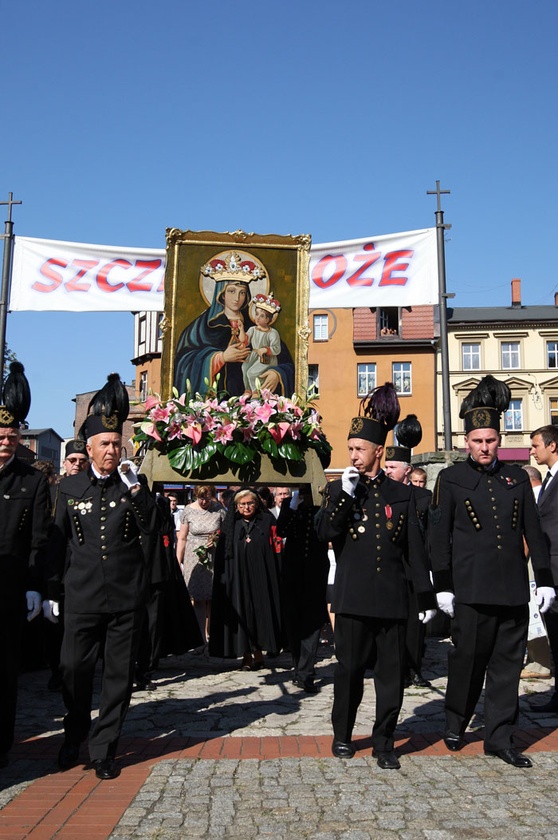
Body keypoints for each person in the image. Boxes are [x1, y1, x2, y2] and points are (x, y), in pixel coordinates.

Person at [429, 376, 555, 767]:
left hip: (512, 590)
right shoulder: (451, 479)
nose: (485, 447)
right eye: (478, 441)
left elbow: (533, 531)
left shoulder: (516, 477)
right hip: (469, 592)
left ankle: (500, 738)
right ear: (467, 442)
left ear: (498, 441)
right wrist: (444, 587)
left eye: (491, 441)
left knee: (506, 669)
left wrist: (546, 579)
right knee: (467, 663)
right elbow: (439, 537)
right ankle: (456, 720)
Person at [44, 373, 159, 780]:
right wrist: (49, 590)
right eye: (104, 444)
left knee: (118, 678)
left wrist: (137, 491)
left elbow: (153, 527)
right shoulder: (70, 488)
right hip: (81, 597)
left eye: (116, 443)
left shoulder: (133, 485)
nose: (111, 450)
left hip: (125, 598)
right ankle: (73, 734)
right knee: (74, 670)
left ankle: (104, 747)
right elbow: (57, 545)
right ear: (88, 447)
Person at [316, 384, 436, 770]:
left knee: (390, 677)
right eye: (350, 448)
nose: (353, 455)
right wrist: (345, 495)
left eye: (359, 449)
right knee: (348, 671)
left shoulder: (402, 496)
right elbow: (325, 534)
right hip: (352, 599)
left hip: (391, 599)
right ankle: (343, 735)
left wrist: (426, 598)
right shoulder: (339, 490)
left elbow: (415, 551)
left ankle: (385, 741)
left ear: (378, 452)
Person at [0, 362, 51, 768]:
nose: (5, 442)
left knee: (4, 669)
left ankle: (1, 741)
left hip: (8, 586)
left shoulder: (31, 481)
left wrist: (35, 584)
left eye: (12, 436)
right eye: (0, 436)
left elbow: (37, 539)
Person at [173, 251, 294, 397]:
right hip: (216, 406)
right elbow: (183, 363)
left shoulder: (258, 326)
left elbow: (286, 362)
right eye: (231, 291)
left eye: (242, 293)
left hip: (253, 408)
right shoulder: (202, 327)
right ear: (221, 294)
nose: (237, 298)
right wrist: (220, 358)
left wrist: (277, 374)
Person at [384, 414, 433, 688]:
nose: (388, 471)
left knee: (415, 625)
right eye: (386, 466)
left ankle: (414, 668)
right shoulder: (381, 494)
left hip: (415, 567)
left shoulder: (423, 498)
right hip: (391, 568)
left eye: (393, 467)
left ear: (406, 470)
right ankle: (395, 668)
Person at [209, 487, 282, 670]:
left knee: (259, 613)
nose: (247, 507)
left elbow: (275, 549)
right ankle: (246, 655)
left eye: (250, 503)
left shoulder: (266, 520)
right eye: (242, 504)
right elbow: (224, 553)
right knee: (243, 613)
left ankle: (259, 654)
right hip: (239, 577)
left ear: (256, 504)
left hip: (261, 576)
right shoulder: (231, 524)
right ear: (236, 506)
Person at [276, 486, 329, 693]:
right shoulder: (291, 505)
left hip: (315, 572)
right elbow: (282, 530)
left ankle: (305, 671)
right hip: (292, 571)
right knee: (293, 620)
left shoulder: (323, 507)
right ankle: (299, 666)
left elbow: (327, 531)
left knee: (313, 620)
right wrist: (291, 507)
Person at [529, 425, 558, 710]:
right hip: (549, 570)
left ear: (552, 445)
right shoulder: (549, 478)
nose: (532, 450)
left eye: (536, 445)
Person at [176, 484, 226, 649]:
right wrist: (178, 560)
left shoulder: (219, 510)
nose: (204, 501)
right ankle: (200, 639)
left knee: (213, 597)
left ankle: (213, 635)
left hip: (214, 556)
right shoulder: (188, 511)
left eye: (207, 497)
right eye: (200, 497)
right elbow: (182, 538)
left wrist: (217, 539)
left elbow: (226, 533)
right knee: (197, 598)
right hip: (194, 557)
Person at [241, 293, 283, 396]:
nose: (258, 318)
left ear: (268, 319)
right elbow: (245, 341)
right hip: (254, 355)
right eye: (257, 314)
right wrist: (241, 329)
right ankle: (248, 390)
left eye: (262, 316)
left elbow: (277, 349)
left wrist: (265, 350)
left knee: (252, 373)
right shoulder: (252, 329)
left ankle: (256, 391)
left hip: (266, 359)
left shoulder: (272, 333)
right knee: (244, 367)